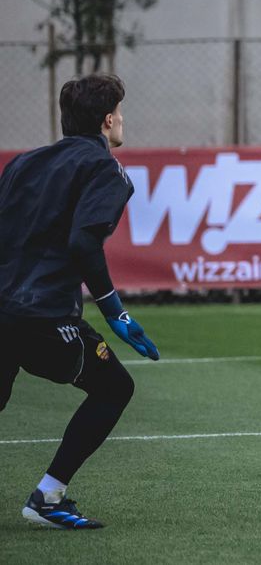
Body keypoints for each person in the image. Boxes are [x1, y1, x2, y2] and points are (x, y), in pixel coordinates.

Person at [0, 74, 160, 530]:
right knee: (115, 388)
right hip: (42, 314)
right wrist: (117, 313)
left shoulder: (23, 162)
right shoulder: (105, 169)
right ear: (108, 120)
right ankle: (48, 498)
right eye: (121, 114)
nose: (123, 121)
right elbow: (83, 244)